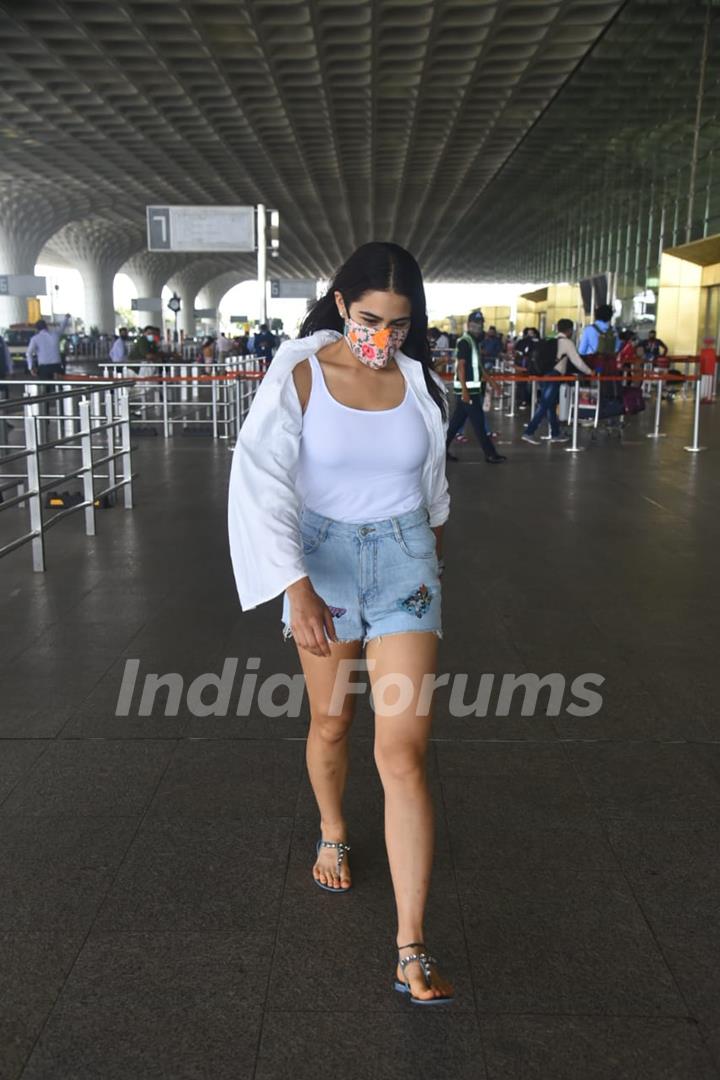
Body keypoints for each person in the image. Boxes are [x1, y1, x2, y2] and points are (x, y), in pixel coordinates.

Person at [228, 241, 455, 1005]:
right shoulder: (301, 375)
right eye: (369, 318)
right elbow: (260, 481)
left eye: (399, 323)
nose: (382, 337)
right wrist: (295, 587)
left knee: (402, 752)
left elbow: (432, 487)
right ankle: (332, 826)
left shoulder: (421, 383)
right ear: (340, 303)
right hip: (320, 564)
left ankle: (410, 946)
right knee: (333, 722)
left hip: (405, 566)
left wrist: (430, 565)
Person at [445, 309, 506, 464]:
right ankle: (490, 454)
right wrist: (465, 391)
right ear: (469, 324)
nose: (479, 326)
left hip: (471, 390)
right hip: (468, 392)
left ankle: (440, 451)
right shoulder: (465, 342)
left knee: (455, 424)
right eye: (476, 323)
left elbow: (478, 367)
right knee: (478, 423)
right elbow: (461, 367)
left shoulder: (474, 343)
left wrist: (493, 384)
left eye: (480, 323)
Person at [521, 320, 593, 444]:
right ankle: (529, 431)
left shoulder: (550, 340)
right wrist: (589, 372)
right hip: (554, 375)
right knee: (545, 404)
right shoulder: (567, 343)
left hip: (544, 374)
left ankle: (555, 433)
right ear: (569, 330)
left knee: (550, 405)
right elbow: (577, 361)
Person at [26, 314, 72, 381]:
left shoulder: (35, 339)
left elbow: (29, 353)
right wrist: (66, 318)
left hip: (44, 368)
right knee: (59, 386)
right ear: (46, 326)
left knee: (46, 388)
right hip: (57, 366)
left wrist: (31, 367)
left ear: (37, 329)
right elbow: (62, 327)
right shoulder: (55, 334)